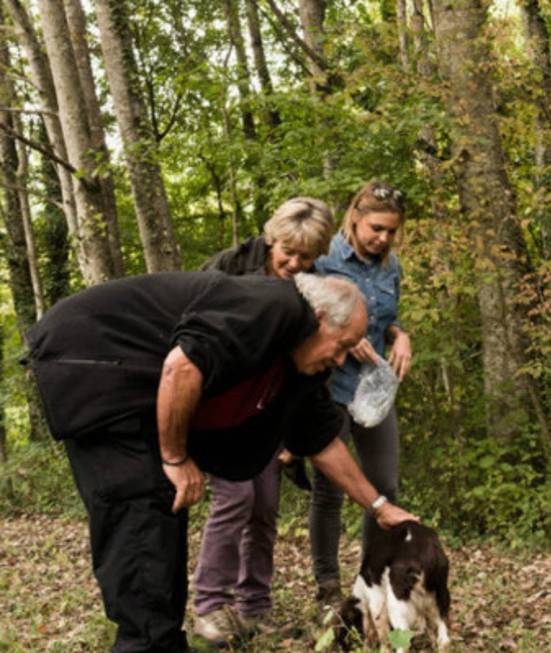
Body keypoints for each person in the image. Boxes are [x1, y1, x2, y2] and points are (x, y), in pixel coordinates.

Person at [25, 271, 416, 653]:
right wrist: (175, 457)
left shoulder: (300, 367)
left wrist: (379, 508)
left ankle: (161, 639)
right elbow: (182, 365)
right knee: (139, 505)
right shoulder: (274, 307)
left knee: (164, 509)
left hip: (132, 386)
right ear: (318, 320)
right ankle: (145, 642)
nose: (343, 359)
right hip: (96, 362)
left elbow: (322, 441)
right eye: (344, 345)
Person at [191, 198, 334, 644]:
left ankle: (254, 609)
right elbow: (192, 336)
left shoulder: (313, 287)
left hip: (267, 408)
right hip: (217, 405)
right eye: (286, 253)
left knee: (265, 506)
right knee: (234, 498)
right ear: (270, 239)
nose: (294, 264)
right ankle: (210, 606)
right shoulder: (227, 268)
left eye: (305, 258)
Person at [309, 180, 413, 606]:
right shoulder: (323, 259)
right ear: (354, 216)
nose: (383, 238)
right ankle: (328, 586)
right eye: (376, 228)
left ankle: (371, 580)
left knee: (384, 485)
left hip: (373, 389)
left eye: (391, 231)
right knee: (330, 488)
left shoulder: (392, 268)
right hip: (330, 385)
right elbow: (300, 318)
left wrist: (400, 334)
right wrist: (343, 338)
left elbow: (386, 319)